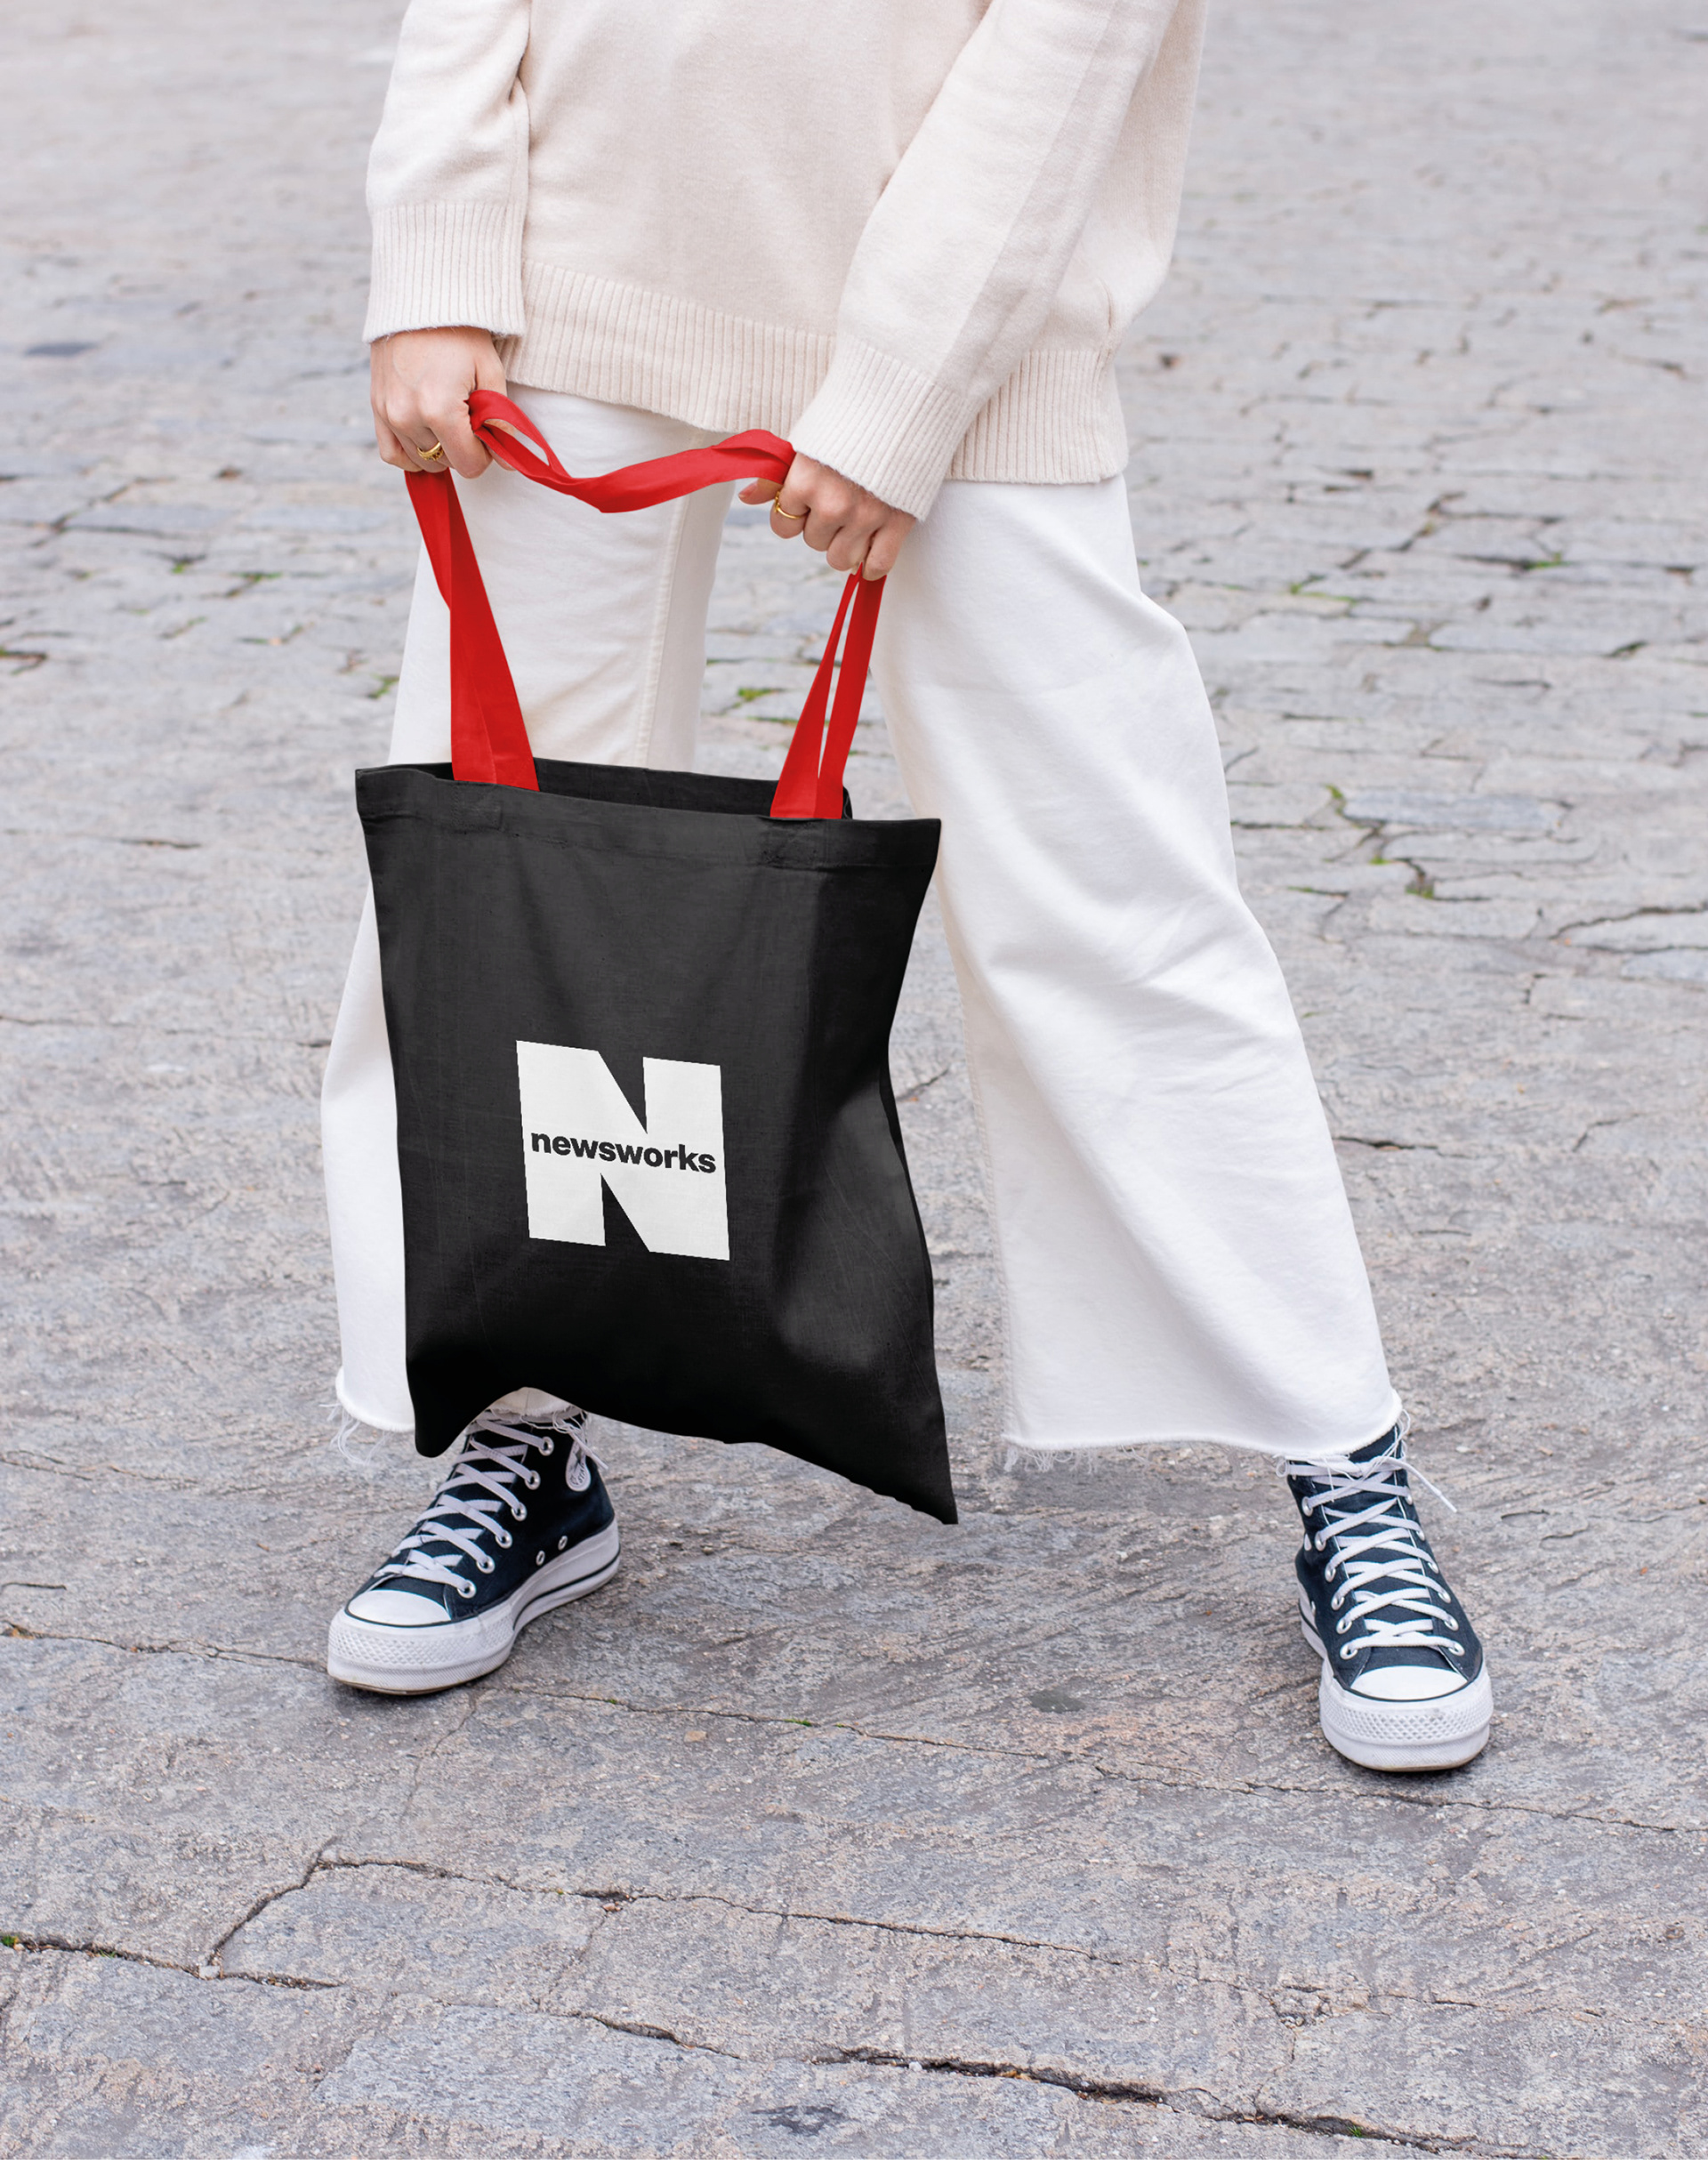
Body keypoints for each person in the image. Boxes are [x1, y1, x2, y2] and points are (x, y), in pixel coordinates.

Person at [320, 0, 1490, 1774]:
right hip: (572, 264)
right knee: (506, 888)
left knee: (1109, 890)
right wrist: (435, 253)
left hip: (969, 311)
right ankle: (515, 1424)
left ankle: (1344, 1452)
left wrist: (901, 382)